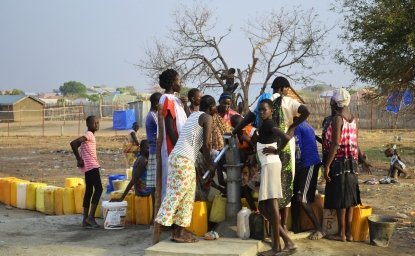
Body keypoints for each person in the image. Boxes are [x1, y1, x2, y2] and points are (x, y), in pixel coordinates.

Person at [233, 76, 310, 232]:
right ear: (282, 88)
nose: (288, 91)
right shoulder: (288, 101)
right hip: (285, 148)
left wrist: (235, 130)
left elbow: (250, 116)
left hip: (267, 149)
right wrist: (292, 126)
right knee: (286, 185)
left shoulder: (264, 101)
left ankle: (271, 228)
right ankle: (282, 226)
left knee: (269, 191)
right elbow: (306, 111)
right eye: (287, 88)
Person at [155, 95, 216, 243]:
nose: (216, 109)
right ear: (210, 107)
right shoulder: (207, 117)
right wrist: (210, 164)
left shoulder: (194, 115)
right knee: (176, 195)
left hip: (180, 158)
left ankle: (179, 231)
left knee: (187, 196)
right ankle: (161, 225)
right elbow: (206, 144)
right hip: (183, 159)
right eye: (214, 106)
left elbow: (198, 143)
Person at [256, 99, 296, 255]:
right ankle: (285, 242)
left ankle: (278, 246)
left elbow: (286, 137)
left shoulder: (269, 123)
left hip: (270, 164)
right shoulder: (264, 124)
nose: (261, 112)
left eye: (264, 110)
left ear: (271, 110)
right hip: (268, 165)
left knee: (271, 207)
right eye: (259, 110)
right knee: (263, 207)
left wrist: (277, 151)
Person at [323, 88, 361, 242]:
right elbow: (355, 142)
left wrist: (327, 165)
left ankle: (342, 234)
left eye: (332, 100)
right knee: (350, 199)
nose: (330, 102)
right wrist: (362, 158)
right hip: (352, 162)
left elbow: (336, 144)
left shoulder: (337, 119)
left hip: (339, 162)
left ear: (335, 103)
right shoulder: (353, 118)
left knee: (340, 200)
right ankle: (350, 234)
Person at [292, 120, 324, 240]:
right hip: (305, 164)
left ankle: (319, 229)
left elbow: (298, 148)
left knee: (302, 198)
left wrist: (295, 165)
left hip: (308, 164)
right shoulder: (305, 124)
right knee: (294, 195)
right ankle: (296, 227)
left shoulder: (297, 127)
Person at [158, 69, 187, 200]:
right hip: (172, 147)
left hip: (178, 146)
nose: (180, 84)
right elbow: (170, 128)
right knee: (171, 181)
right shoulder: (167, 99)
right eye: (178, 81)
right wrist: (179, 147)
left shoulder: (175, 99)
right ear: (172, 83)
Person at [70, 115, 103, 228]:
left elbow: (77, 145)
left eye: (98, 122)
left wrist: (80, 159)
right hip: (92, 166)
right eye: (94, 123)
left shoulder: (90, 135)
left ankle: (85, 220)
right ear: (88, 124)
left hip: (88, 167)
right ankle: (91, 217)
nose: (97, 124)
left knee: (89, 191)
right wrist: (79, 159)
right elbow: (73, 143)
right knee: (99, 189)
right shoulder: (88, 134)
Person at [145, 92, 161, 203]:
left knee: (156, 184)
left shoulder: (151, 115)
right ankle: (155, 215)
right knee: (156, 184)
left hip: (154, 150)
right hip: (155, 151)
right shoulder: (154, 116)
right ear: (156, 103)